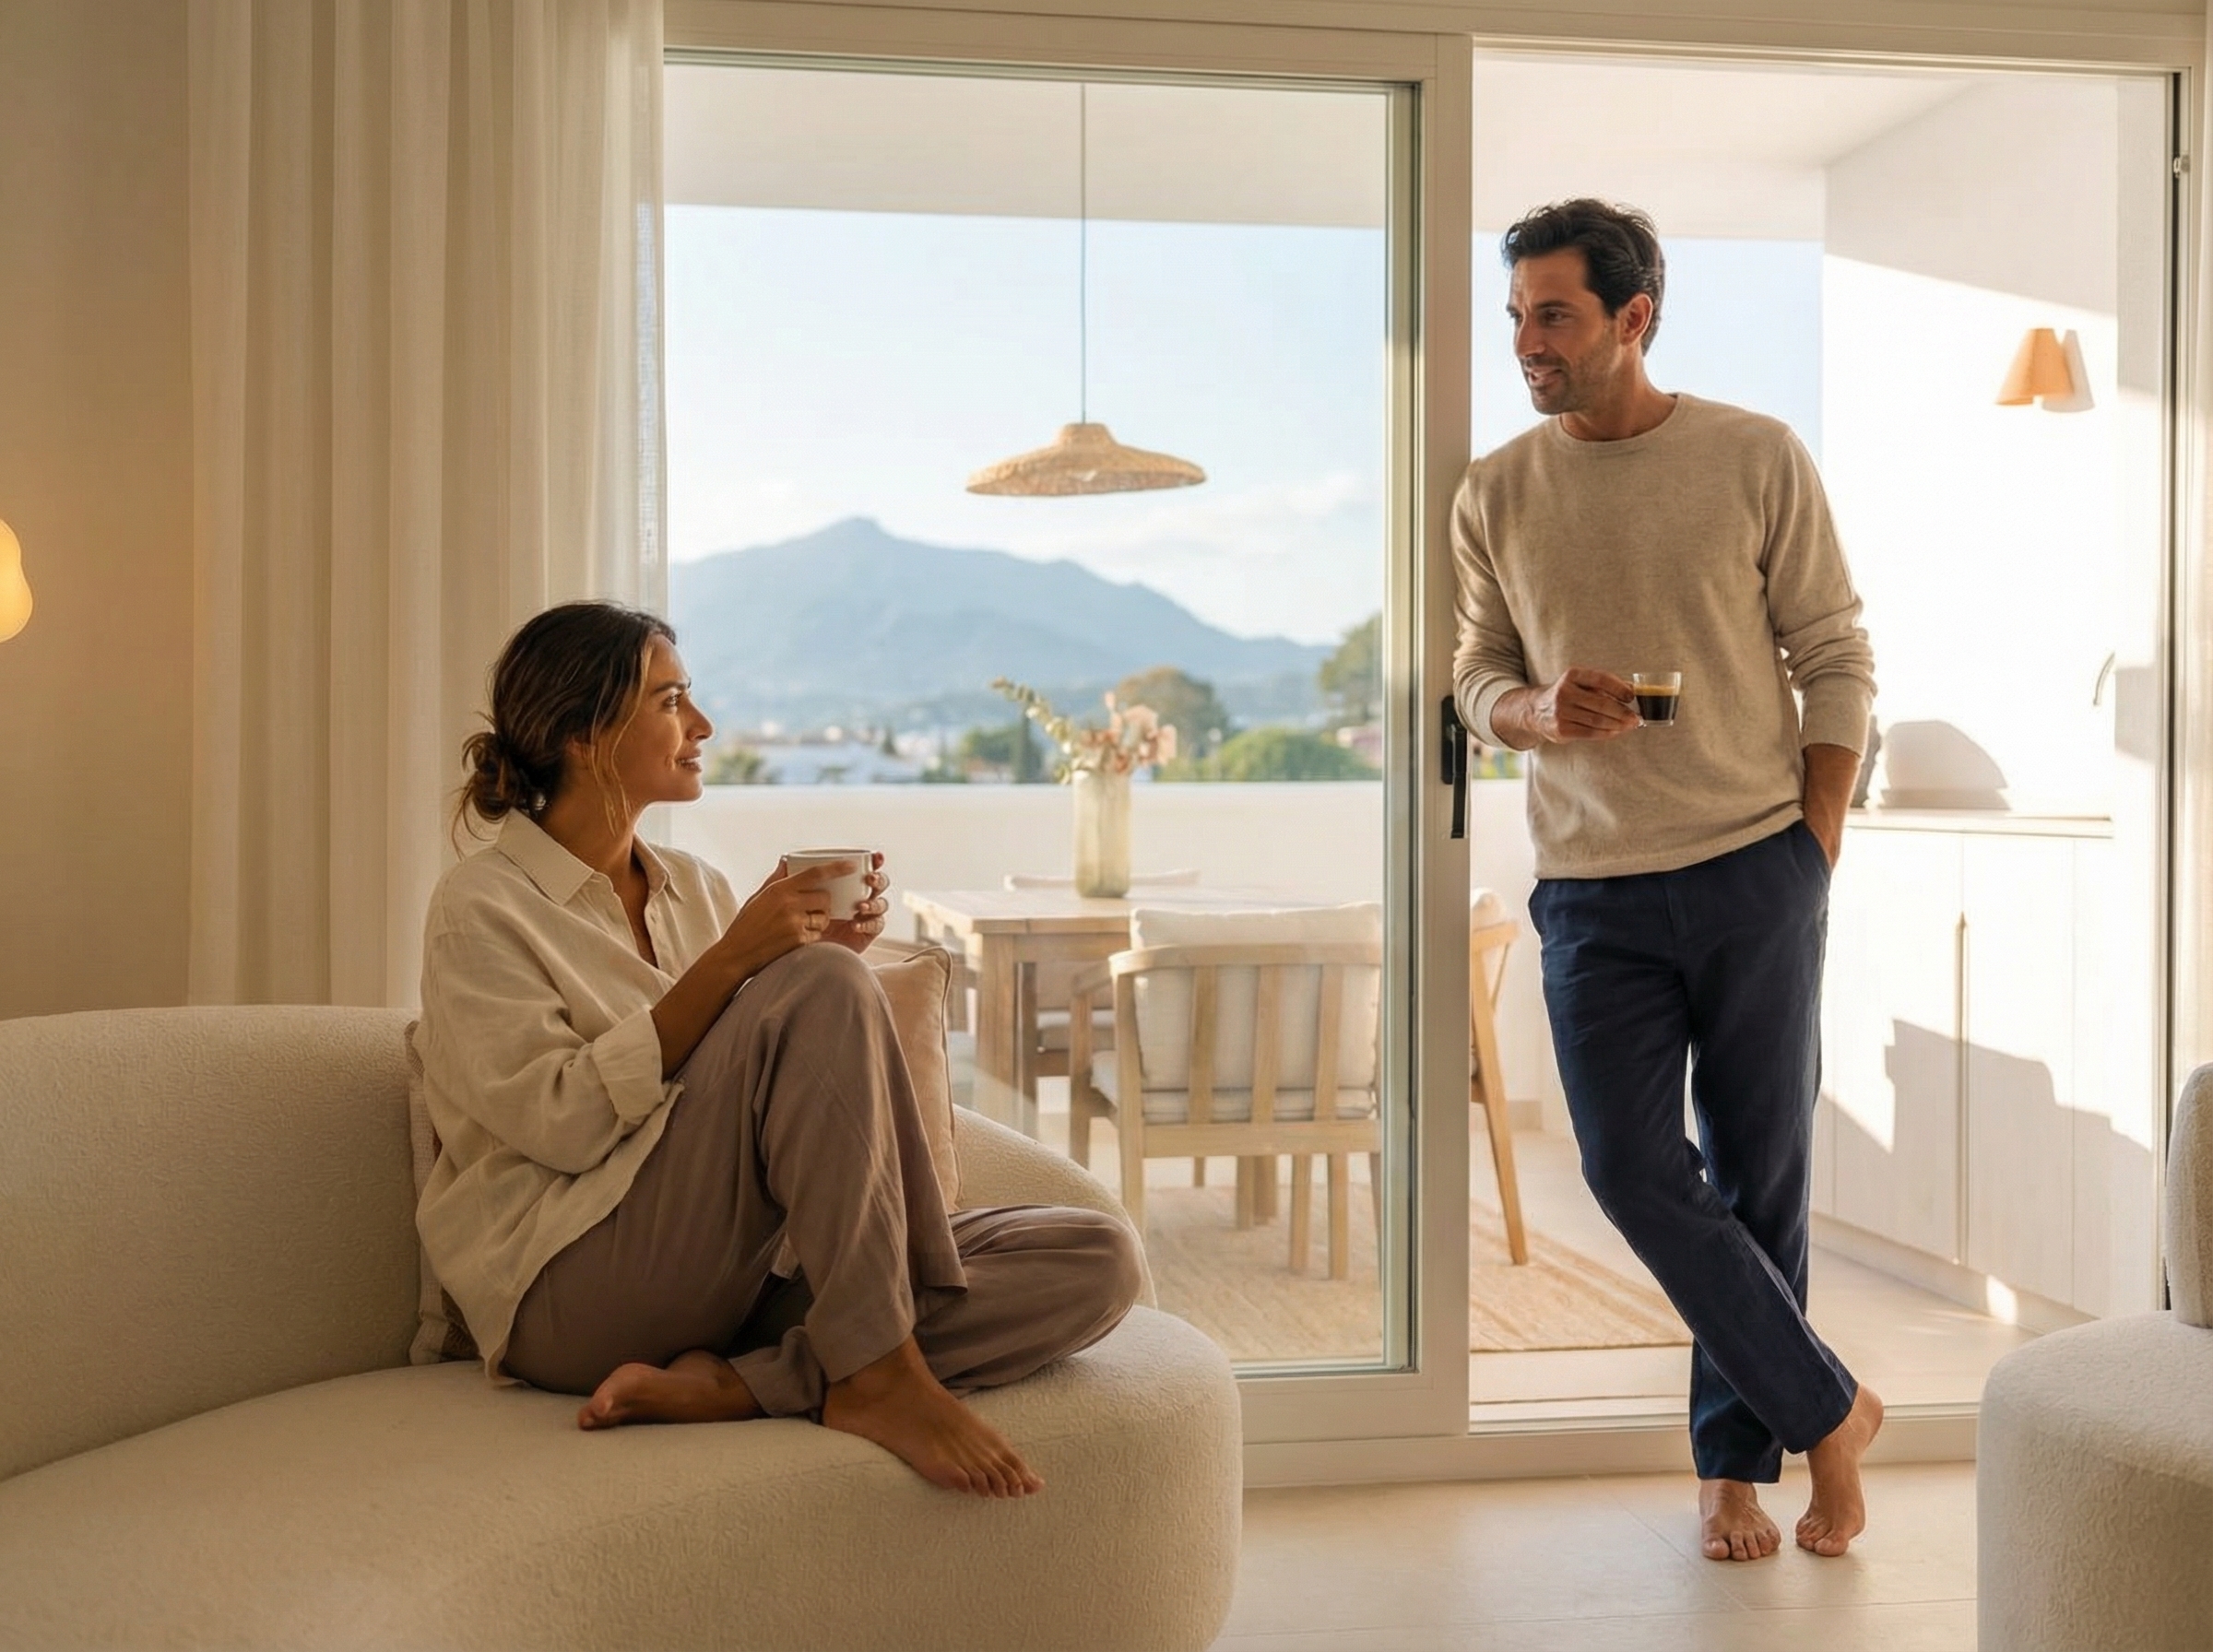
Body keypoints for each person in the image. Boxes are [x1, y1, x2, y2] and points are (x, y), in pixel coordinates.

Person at [410, 600, 1143, 1498]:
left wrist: (822, 983)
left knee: (1096, 1257)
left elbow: (754, 1086)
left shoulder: (696, 887)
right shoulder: (482, 906)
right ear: (584, 733)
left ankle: (750, 1382)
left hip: (736, 1281)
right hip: (569, 1285)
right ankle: (876, 1375)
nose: (703, 724)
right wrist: (749, 968)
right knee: (821, 984)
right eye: (670, 700)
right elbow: (560, 1123)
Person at [1451, 200, 1884, 1561]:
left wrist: (1814, 844)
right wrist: (1531, 712)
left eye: (1554, 315)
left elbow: (1835, 652)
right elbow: (1473, 673)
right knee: (1632, 1168)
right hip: (1591, 889)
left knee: (1763, 1177)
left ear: (1633, 318)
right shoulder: (1495, 490)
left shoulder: (1754, 455)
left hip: (1757, 867)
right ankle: (1831, 1410)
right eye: (1517, 315)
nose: (1527, 342)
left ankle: (1735, 1474)